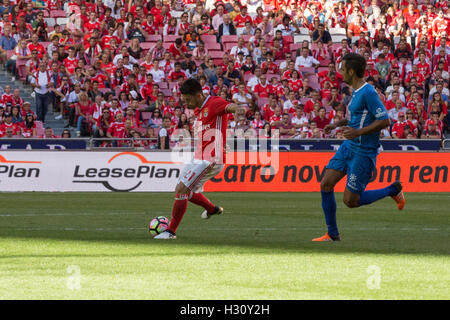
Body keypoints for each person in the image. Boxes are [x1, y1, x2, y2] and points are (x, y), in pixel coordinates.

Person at [312, 53, 406, 242]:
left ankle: (392, 190)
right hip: (349, 146)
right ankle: (332, 233)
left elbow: (384, 120)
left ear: (352, 71)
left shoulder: (368, 92)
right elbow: (359, 117)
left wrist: (357, 132)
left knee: (350, 201)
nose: (341, 72)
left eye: (343, 69)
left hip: (363, 152)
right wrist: (339, 123)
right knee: (326, 184)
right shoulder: (355, 90)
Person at [154, 78, 240, 240]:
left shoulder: (214, 103)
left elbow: (231, 107)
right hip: (198, 156)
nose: (186, 103)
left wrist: (238, 110)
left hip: (211, 158)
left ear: (199, 95)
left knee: (181, 190)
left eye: (188, 99)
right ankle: (212, 209)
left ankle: (170, 232)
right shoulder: (198, 110)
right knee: (188, 192)